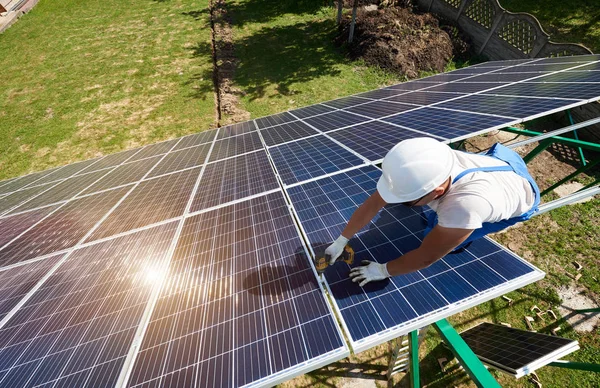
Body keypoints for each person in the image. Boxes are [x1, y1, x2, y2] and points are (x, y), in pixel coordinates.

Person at [325, 137, 540, 287]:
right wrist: (342, 240)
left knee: (437, 238)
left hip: (519, 195)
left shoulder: (463, 209)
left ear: (436, 192)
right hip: (500, 164)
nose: (399, 202)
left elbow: (426, 257)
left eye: (407, 200)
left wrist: (382, 271)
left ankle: (458, 241)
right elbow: (374, 203)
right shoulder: (428, 160)